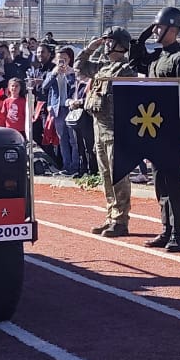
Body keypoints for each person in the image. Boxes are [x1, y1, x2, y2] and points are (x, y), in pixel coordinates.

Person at [130, 6, 180, 251]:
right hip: (155, 129)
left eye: (160, 26)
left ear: (172, 28)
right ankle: (165, 228)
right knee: (160, 182)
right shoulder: (157, 57)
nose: (156, 30)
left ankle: (178, 232)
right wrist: (146, 33)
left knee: (174, 182)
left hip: (172, 131)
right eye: (155, 27)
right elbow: (135, 58)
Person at [78, 28, 136, 236]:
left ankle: (121, 219)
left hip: (115, 128)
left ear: (120, 44)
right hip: (99, 126)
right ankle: (111, 215)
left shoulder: (125, 69)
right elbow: (80, 67)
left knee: (117, 174)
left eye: (109, 41)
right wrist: (90, 48)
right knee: (105, 174)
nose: (106, 45)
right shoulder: (103, 66)